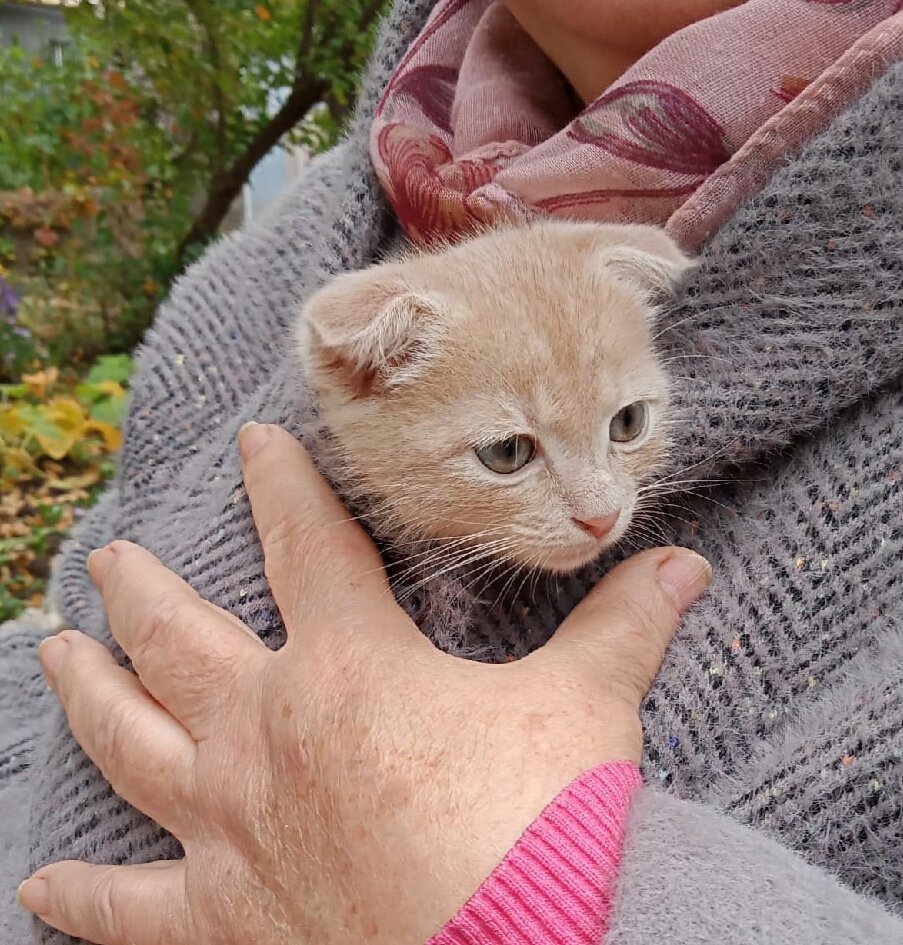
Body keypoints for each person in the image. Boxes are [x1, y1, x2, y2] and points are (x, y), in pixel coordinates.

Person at [4, 0, 903, 941]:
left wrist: (516, 896)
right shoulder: (272, 265)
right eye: (510, 451)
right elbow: (44, 682)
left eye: (629, 424)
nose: (603, 507)